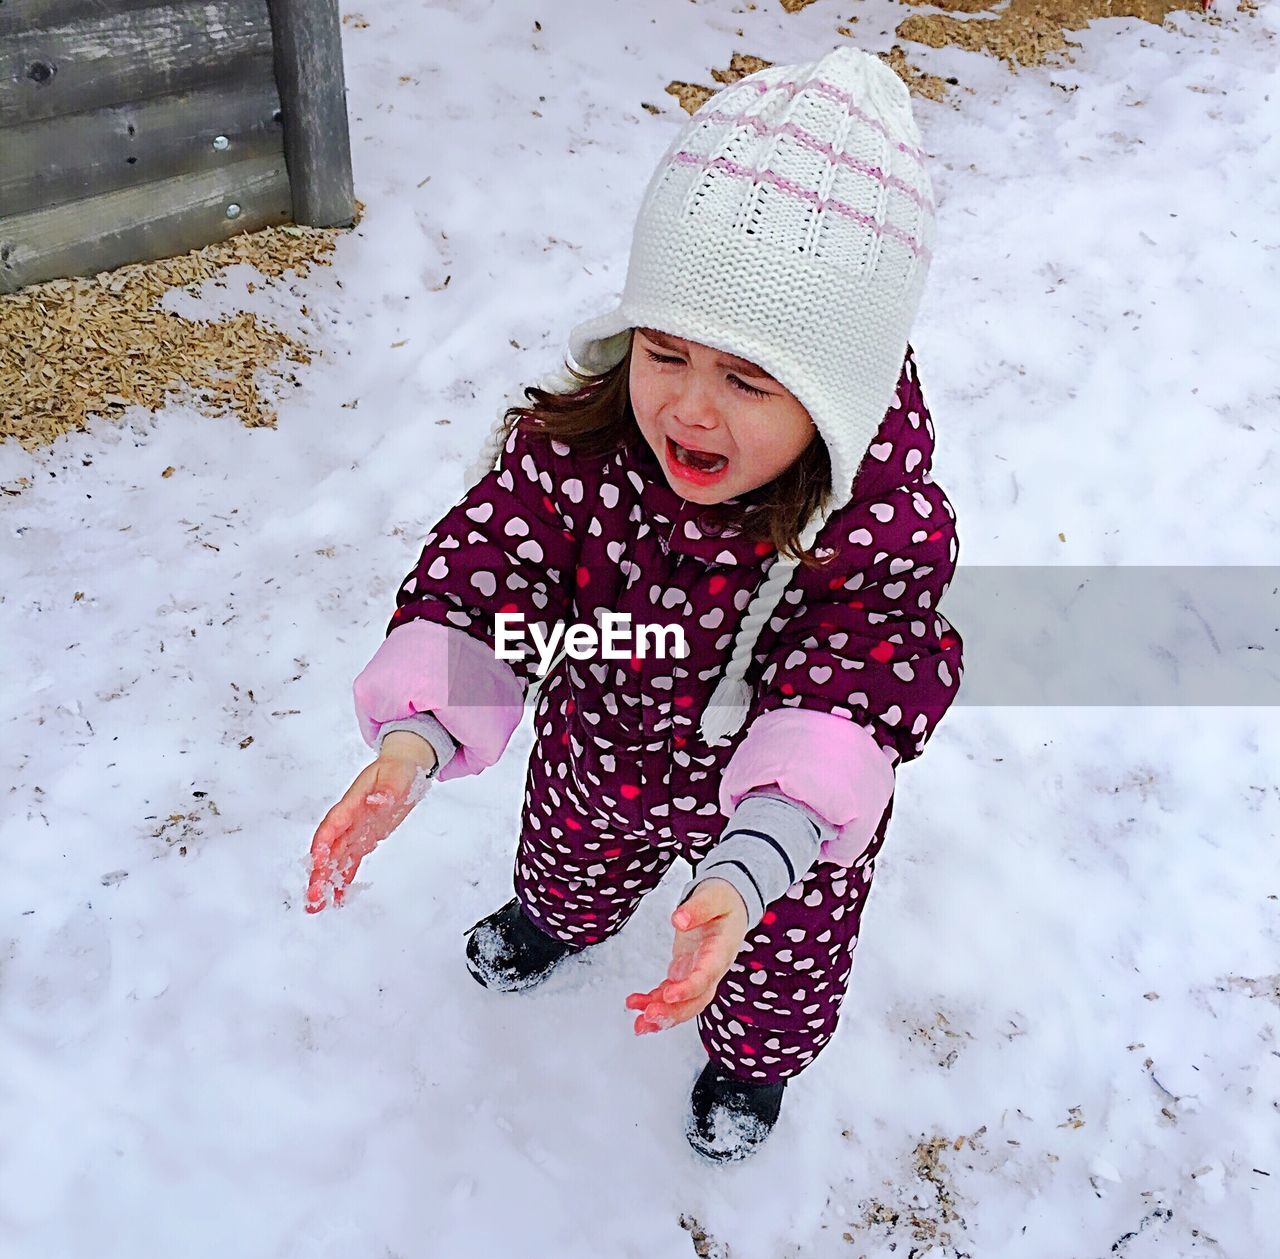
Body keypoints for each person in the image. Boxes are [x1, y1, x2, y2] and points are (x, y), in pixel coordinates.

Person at [307, 45, 964, 1163]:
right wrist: (416, 737)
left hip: (778, 818)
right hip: (599, 745)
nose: (689, 409)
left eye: (749, 379)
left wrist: (757, 858)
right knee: (565, 855)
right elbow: (494, 585)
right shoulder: (585, 457)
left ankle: (750, 1061)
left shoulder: (877, 527)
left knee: (770, 961)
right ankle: (557, 920)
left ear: (838, 393)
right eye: (665, 351)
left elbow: (858, 685)